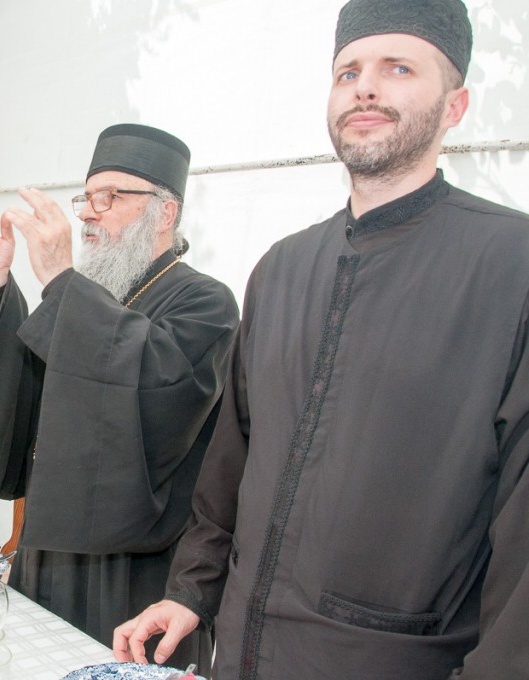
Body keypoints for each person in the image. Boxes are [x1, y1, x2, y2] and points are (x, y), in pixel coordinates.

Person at [114, 1, 529, 678]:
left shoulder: (512, 265)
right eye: (348, 72)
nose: (365, 88)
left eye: (398, 69)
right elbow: (232, 460)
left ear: (455, 106)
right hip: (242, 654)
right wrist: (192, 591)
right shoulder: (282, 268)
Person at [0, 123, 239, 671]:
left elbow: (153, 396)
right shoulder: (94, 295)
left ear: (164, 212)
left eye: (109, 197)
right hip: (49, 547)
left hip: (132, 570)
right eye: (87, 198)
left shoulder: (206, 303)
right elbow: (28, 393)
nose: (89, 214)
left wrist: (61, 280)